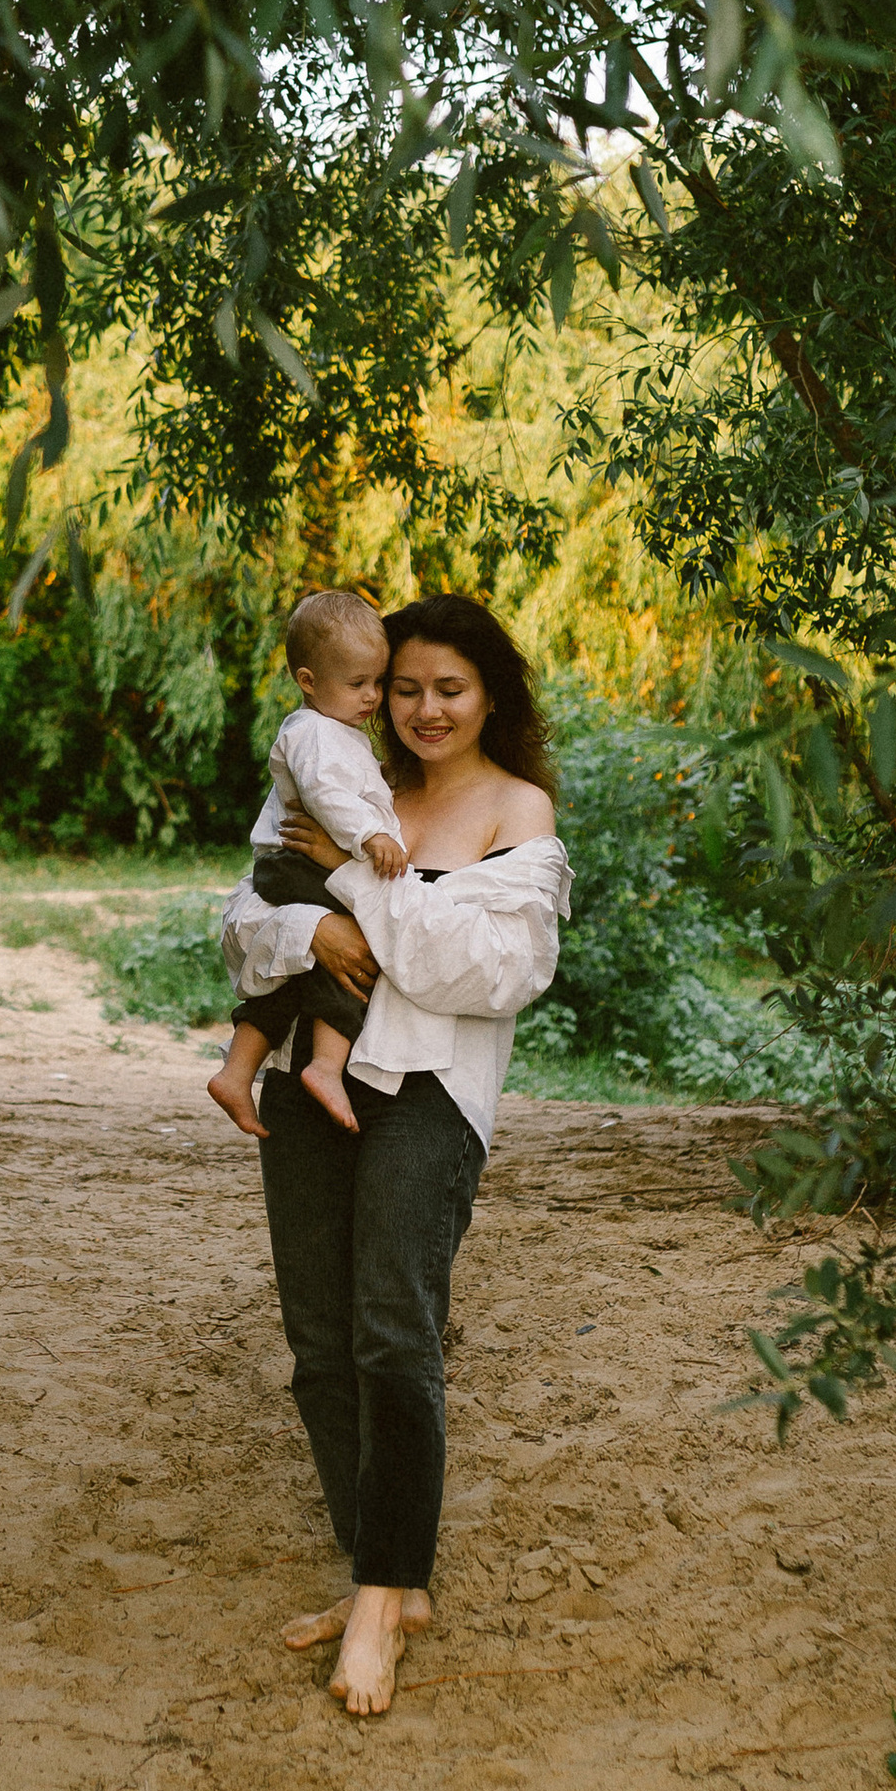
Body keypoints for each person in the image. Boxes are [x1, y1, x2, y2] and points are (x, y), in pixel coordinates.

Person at [221, 593, 571, 1717]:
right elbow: (239, 924)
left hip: (425, 1094)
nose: (422, 709)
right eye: (403, 687)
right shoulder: (350, 790)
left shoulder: (517, 810)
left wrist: (356, 884)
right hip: (307, 1086)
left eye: (448, 689)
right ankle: (385, 1573)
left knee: (390, 1330)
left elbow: (482, 972)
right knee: (319, 1343)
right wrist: (312, 928)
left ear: (490, 695)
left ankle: (378, 1599)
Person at [207, 588, 409, 1143]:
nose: (371, 696)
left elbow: (350, 783)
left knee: (300, 971)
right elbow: (325, 793)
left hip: (296, 865)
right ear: (308, 680)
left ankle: (237, 1069)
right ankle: (325, 1062)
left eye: (377, 682)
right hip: (297, 864)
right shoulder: (312, 731)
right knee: (358, 947)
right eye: (357, 683)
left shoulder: (336, 730)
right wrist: (369, 834)